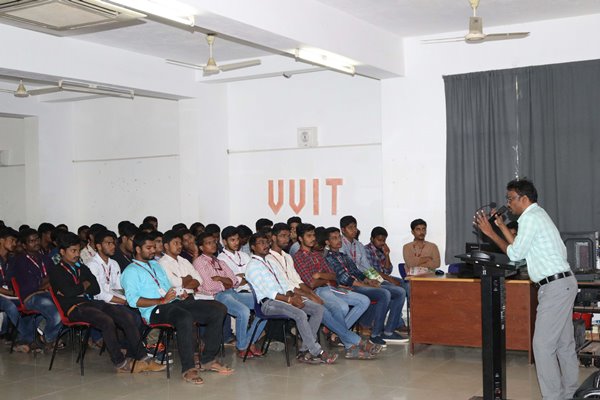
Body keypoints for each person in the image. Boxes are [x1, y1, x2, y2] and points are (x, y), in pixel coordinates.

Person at [475, 178, 578, 400]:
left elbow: (514, 255)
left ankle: (554, 397)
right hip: (563, 284)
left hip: (555, 287)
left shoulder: (530, 218)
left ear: (524, 198)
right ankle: (569, 393)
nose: (508, 203)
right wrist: (501, 226)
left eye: (510, 198)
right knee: (563, 344)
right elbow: (521, 250)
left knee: (541, 346)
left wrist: (490, 232)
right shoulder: (536, 216)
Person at [120, 232, 232, 384]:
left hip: (173, 302)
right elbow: (133, 301)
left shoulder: (155, 265)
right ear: (138, 249)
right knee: (184, 317)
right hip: (153, 310)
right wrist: (160, 300)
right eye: (148, 248)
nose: (153, 250)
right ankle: (188, 369)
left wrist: (180, 294)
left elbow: (168, 287)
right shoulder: (130, 271)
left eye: (154, 247)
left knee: (218, 309)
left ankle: (208, 359)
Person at [49, 232, 162, 373]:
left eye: (78, 250)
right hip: (74, 308)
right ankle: (120, 362)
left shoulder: (81, 267)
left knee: (125, 315)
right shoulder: (55, 270)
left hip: (90, 303)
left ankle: (143, 357)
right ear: (62, 252)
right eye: (73, 251)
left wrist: (78, 289)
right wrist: (84, 286)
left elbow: (95, 288)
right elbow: (70, 292)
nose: (77, 254)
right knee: (106, 321)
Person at [273, 223, 376, 359]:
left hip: (328, 288)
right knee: (339, 308)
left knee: (360, 302)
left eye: (313, 235)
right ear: (300, 238)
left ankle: (345, 341)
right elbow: (311, 283)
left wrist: (320, 275)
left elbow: (333, 275)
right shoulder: (298, 257)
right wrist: (323, 278)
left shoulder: (317, 255)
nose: (312, 238)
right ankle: (353, 344)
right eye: (308, 236)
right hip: (313, 292)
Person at [245, 232, 337, 365]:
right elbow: (269, 293)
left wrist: (293, 296)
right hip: (268, 304)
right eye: (261, 243)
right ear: (253, 247)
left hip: (284, 299)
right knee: (299, 314)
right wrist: (290, 300)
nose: (265, 245)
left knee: (318, 309)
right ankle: (318, 352)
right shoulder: (252, 266)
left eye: (266, 242)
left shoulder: (270, 262)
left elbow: (284, 283)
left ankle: (305, 350)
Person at [324, 227, 408, 345]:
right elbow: (344, 278)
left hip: (361, 283)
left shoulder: (344, 255)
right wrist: (365, 284)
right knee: (384, 293)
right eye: (334, 238)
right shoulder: (328, 257)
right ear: (327, 242)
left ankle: (388, 332)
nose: (338, 240)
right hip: (348, 287)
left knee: (400, 292)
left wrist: (369, 281)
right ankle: (375, 334)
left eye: (339, 237)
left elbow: (358, 272)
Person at [194, 232, 266, 358]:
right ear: (201, 247)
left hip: (232, 292)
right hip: (217, 296)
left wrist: (222, 280)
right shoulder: (199, 262)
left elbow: (233, 280)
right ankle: (242, 347)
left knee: (266, 305)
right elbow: (210, 286)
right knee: (243, 311)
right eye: (208, 243)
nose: (213, 245)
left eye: (214, 242)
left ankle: (249, 342)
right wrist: (226, 282)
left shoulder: (219, 261)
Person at [8, 228, 61, 350]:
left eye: (37, 239)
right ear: (24, 245)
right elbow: (32, 285)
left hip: (46, 293)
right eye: (31, 241)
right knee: (57, 315)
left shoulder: (45, 258)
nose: (36, 242)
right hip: (31, 296)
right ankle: (48, 338)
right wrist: (47, 280)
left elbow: (56, 276)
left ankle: (41, 337)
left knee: (65, 306)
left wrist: (47, 281)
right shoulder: (20, 261)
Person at [0, 227, 32, 352]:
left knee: (29, 303)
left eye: (15, 241)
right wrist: (12, 293)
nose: (14, 244)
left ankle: (21, 338)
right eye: (12, 240)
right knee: (10, 306)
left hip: (9, 294)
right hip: (4, 295)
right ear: (1, 240)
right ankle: (29, 338)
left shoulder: (12, 260)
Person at [218, 226, 251, 292]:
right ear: (224, 242)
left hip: (252, 291)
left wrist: (240, 277)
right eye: (232, 240)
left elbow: (254, 274)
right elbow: (231, 282)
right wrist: (247, 277)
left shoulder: (244, 255)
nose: (237, 243)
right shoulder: (221, 259)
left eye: (238, 239)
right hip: (236, 293)